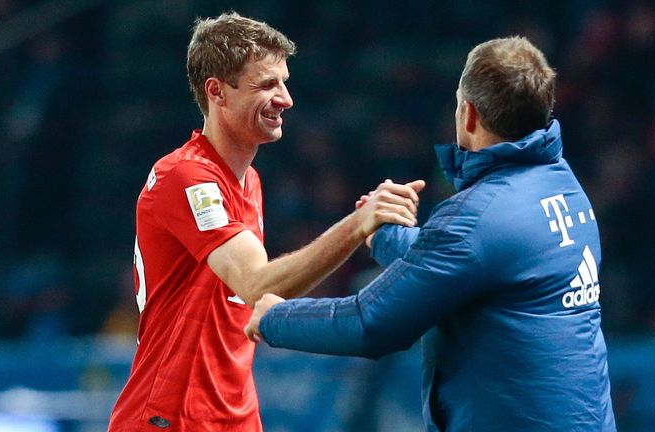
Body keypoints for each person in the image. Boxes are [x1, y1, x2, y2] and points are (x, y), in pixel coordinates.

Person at [246, 36, 617, 431]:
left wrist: (275, 317)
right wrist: (383, 235)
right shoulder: (563, 187)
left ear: (469, 114)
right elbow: (459, 268)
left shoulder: (478, 216)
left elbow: (371, 324)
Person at [107, 12, 424, 432]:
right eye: (266, 85)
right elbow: (257, 283)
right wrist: (357, 224)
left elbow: (258, 296)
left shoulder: (249, 181)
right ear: (217, 92)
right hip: (174, 416)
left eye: (284, 82)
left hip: (233, 415)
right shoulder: (185, 177)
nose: (286, 99)